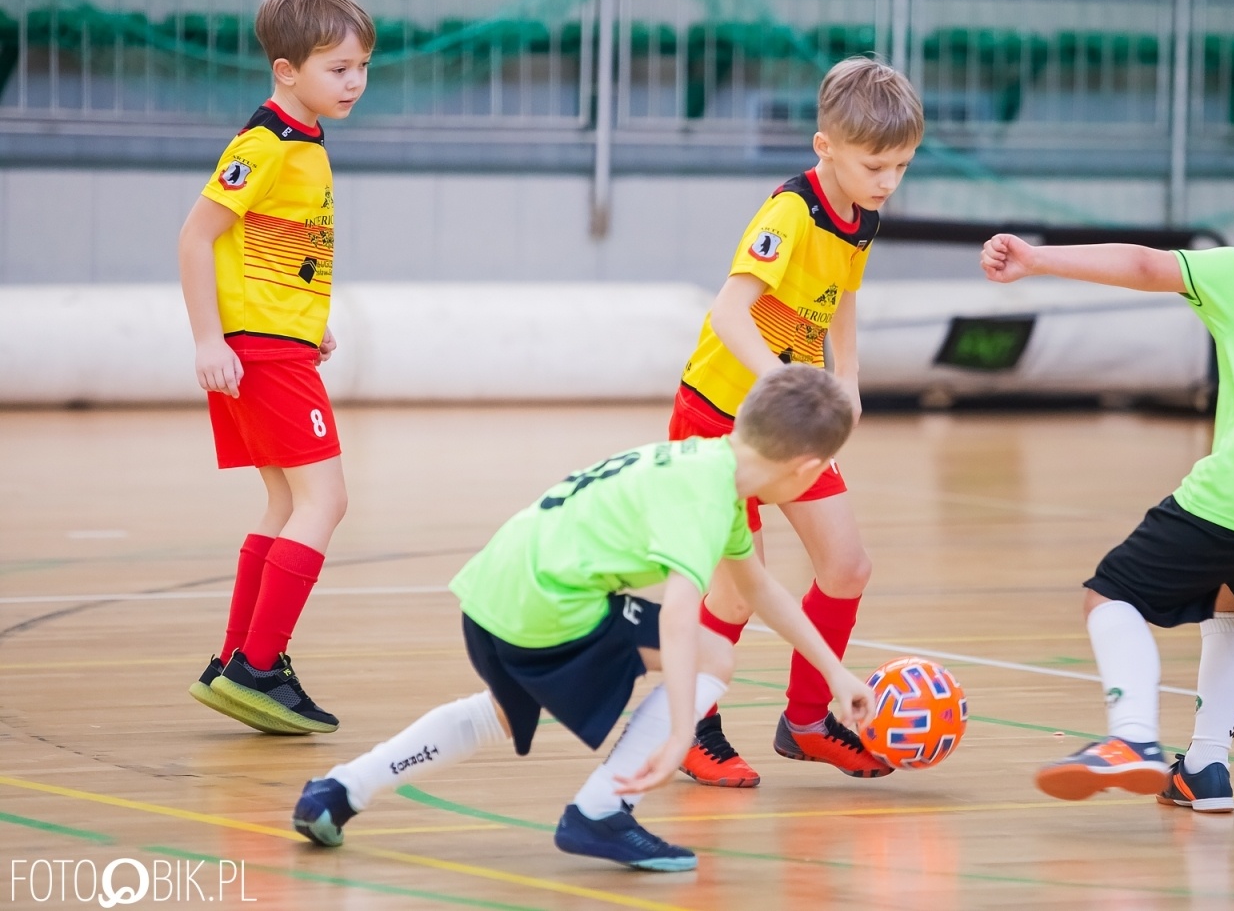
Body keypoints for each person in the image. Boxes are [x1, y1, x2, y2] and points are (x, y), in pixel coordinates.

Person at [291, 367, 876, 871]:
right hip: (549, 604)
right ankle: (601, 810)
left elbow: (760, 589)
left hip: (496, 587)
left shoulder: (706, 462)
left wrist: (834, 674)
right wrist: (679, 734)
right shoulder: (707, 496)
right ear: (809, 468)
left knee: (499, 710)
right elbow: (678, 617)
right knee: (713, 653)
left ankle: (340, 790)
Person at [981, 151, 1234, 814]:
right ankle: (1206, 767)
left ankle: (1132, 737)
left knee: (1111, 595)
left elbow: (1145, 264)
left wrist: (1038, 258)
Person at [669, 56, 923, 787]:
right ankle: (694, 727)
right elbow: (728, 311)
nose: (887, 182)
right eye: (875, 164)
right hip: (720, 416)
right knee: (734, 587)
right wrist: (787, 380)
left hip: (796, 420)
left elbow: (843, 292)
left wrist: (847, 375)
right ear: (825, 148)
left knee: (847, 567)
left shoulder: (862, 213)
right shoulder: (790, 212)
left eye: (901, 166)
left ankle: (808, 720)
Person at [178, 0, 374, 735]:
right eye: (337, 68)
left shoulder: (305, 145)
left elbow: (273, 251)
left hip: (277, 345)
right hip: (259, 357)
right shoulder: (264, 144)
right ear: (286, 72)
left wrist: (302, 322)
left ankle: (237, 660)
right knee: (327, 501)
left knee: (288, 503)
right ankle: (260, 666)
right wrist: (209, 340)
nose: (354, 81)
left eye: (361, 66)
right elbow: (197, 237)